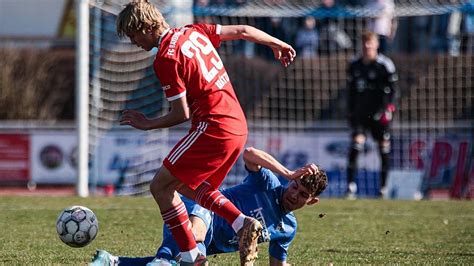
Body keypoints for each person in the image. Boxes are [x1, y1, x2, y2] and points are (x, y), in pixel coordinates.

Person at [115, 1, 296, 265]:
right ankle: (234, 227)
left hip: (213, 126)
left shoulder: (166, 57)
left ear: (144, 27)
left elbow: (181, 114)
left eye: (133, 35)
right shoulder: (193, 32)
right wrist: (275, 43)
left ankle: (197, 253)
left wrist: (147, 123)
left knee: (160, 186)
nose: (133, 42)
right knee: (190, 187)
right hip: (237, 125)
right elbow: (244, 30)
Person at [91, 146, 328, 266]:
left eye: (303, 194)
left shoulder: (287, 228)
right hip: (202, 207)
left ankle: (112, 261)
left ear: (312, 201)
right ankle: (162, 259)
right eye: (294, 186)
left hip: (209, 245)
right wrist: (287, 173)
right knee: (195, 234)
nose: (294, 194)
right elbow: (249, 153)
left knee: (187, 260)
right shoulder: (268, 183)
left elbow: (277, 264)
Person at [346, 31, 398, 199]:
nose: (368, 46)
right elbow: (351, 92)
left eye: (371, 43)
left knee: (383, 148)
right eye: (365, 43)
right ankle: (350, 187)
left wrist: (388, 109)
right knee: (356, 144)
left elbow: (394, 91)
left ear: (376, 44)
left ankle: (383, 188)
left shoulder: (385, 65)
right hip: (361, 114)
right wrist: (350, 111)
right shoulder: (355, 65)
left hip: (380, 115)